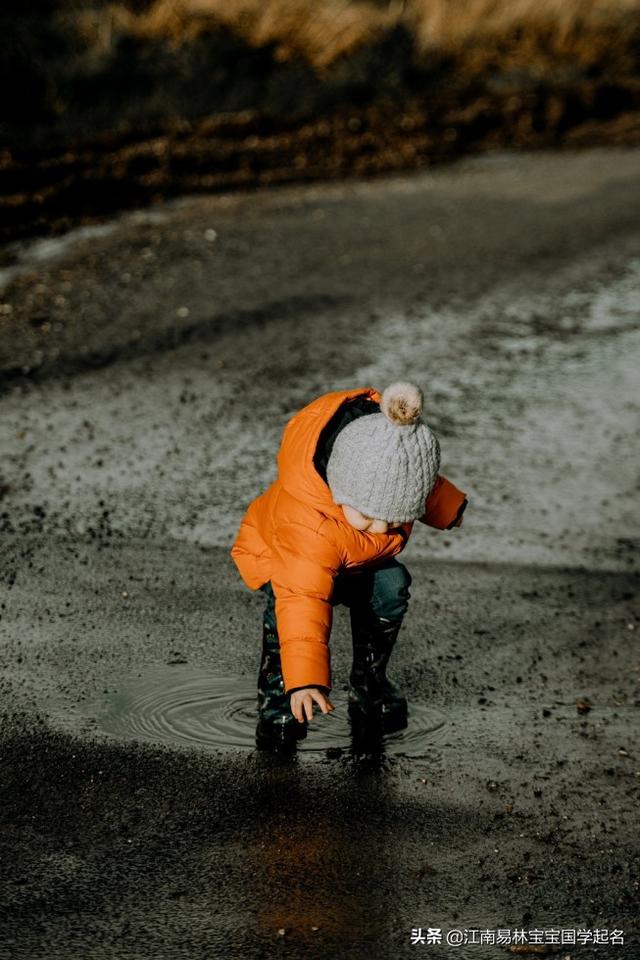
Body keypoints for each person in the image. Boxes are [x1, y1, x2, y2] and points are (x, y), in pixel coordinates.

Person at [230, 382, 468, 751]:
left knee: (392, 583)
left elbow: (421, 480)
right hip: (287, 563)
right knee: (287, 609)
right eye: (371, 517)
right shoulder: (307, 524)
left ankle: (369, 686)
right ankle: (280, 700)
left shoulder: (388, 456)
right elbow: (302, 601)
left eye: (395, 521)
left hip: (350, 557)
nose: (380, 529)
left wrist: (449, 508)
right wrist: (307, 679)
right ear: (341, 485)